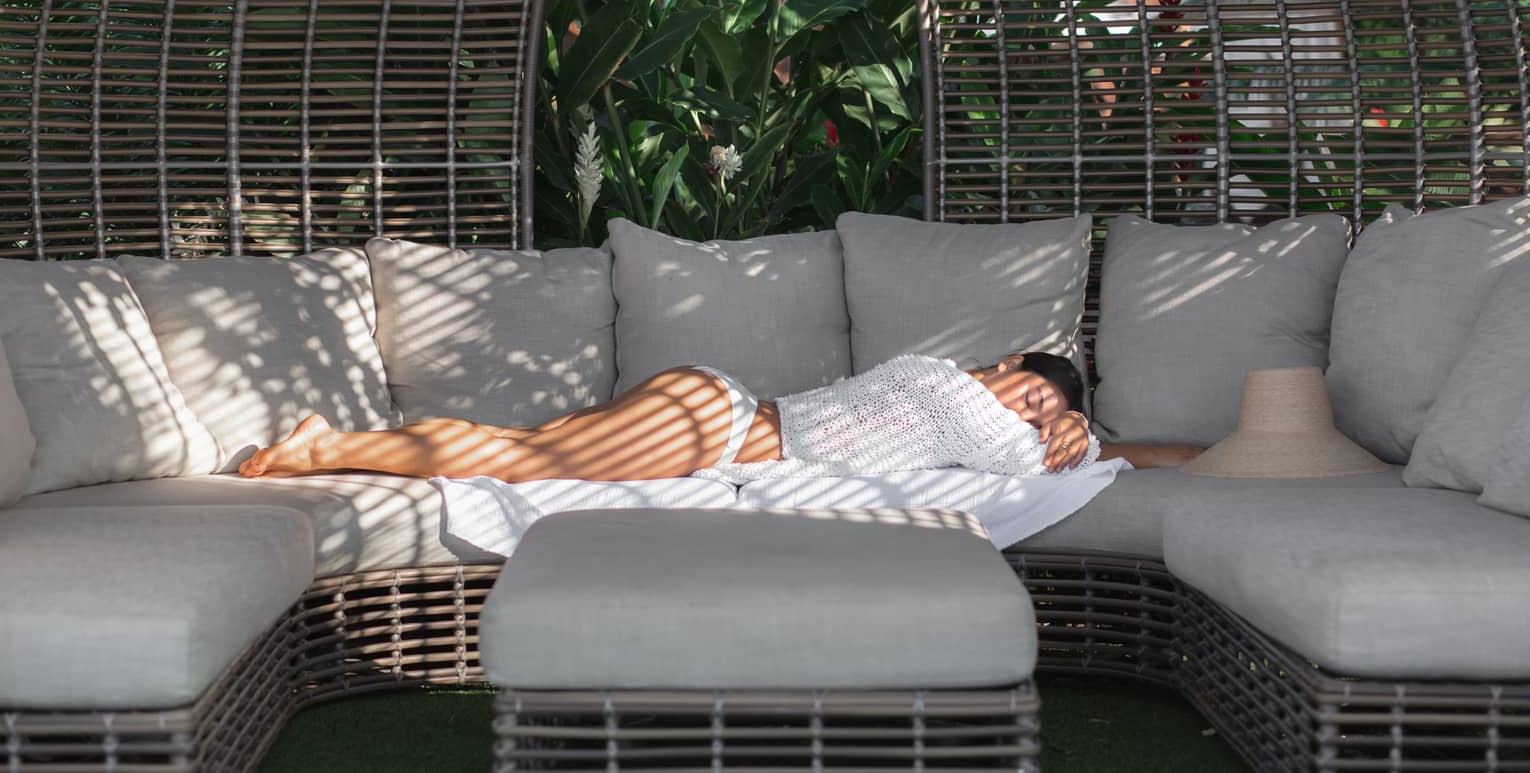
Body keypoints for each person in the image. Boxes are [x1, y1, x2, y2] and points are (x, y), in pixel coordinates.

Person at [238, 351, 1202, 482]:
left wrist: (1076, 432)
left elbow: (1050, 452)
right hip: (712, 426)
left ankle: (328, 440)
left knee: (525, 449)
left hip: (711, 409)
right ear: (1001, 369)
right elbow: (1030, 453)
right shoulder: (956, 393)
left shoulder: (974, 407)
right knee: (515, 461)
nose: (1036, 415)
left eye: (1048, 412)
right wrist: (1082, 438)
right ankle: (326, 446)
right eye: (1036, 393)